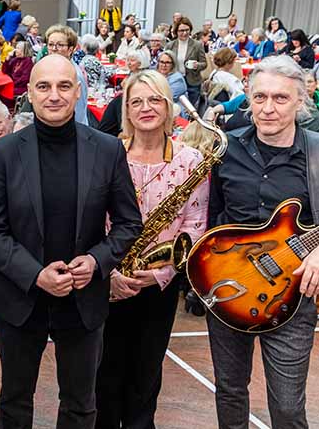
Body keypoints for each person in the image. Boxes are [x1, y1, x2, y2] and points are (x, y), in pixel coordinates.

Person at [0, 54, 142, 428]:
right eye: (44, 86)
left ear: (78, 92)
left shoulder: (107, 149)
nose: (54, 95)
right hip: (21, 297)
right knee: (15, 400)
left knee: (81, 403)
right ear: (29, 94)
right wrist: (36, 274)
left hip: (83, 298)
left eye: (64, 86)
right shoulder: (4, 152)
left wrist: (97, 261)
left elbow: (128, 223)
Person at [206, 55, 319, 428]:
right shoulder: (225, 150)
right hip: (227, 287)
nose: (268, 108)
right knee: (229, 390)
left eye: (280, 98)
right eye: (260, 98)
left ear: (300, 101)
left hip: (291, 294)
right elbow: (213, 219)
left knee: (288, 406)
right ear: (247, 98)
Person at [95, 69, 208, 429]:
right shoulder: (106, 154)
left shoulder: (190, 161)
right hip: (110, 280)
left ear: (168, 106)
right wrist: (109, 271)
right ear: (125, 109)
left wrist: (162, 272)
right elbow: (91, 218)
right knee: (104, 371)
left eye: (155, 99)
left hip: (159, 284)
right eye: (136, 101)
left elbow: (196, 223)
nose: (146, 107)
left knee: (146, 373)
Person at [44, 24, 90, 125]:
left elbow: (79, 114)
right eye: (51, 44)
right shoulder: (49, 68)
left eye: (60, 45)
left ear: (70, 49)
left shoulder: (75, 75)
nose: (54, 49)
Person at [166, 18, 207, 107]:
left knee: (191, 108)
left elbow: (204, 63)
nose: (184, 33)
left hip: (192, 82)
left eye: (187, 30)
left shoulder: (197, 45)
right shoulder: (170, 45)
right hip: (175, 80)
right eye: (181, 30)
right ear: (176, 31)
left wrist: (197, 65)